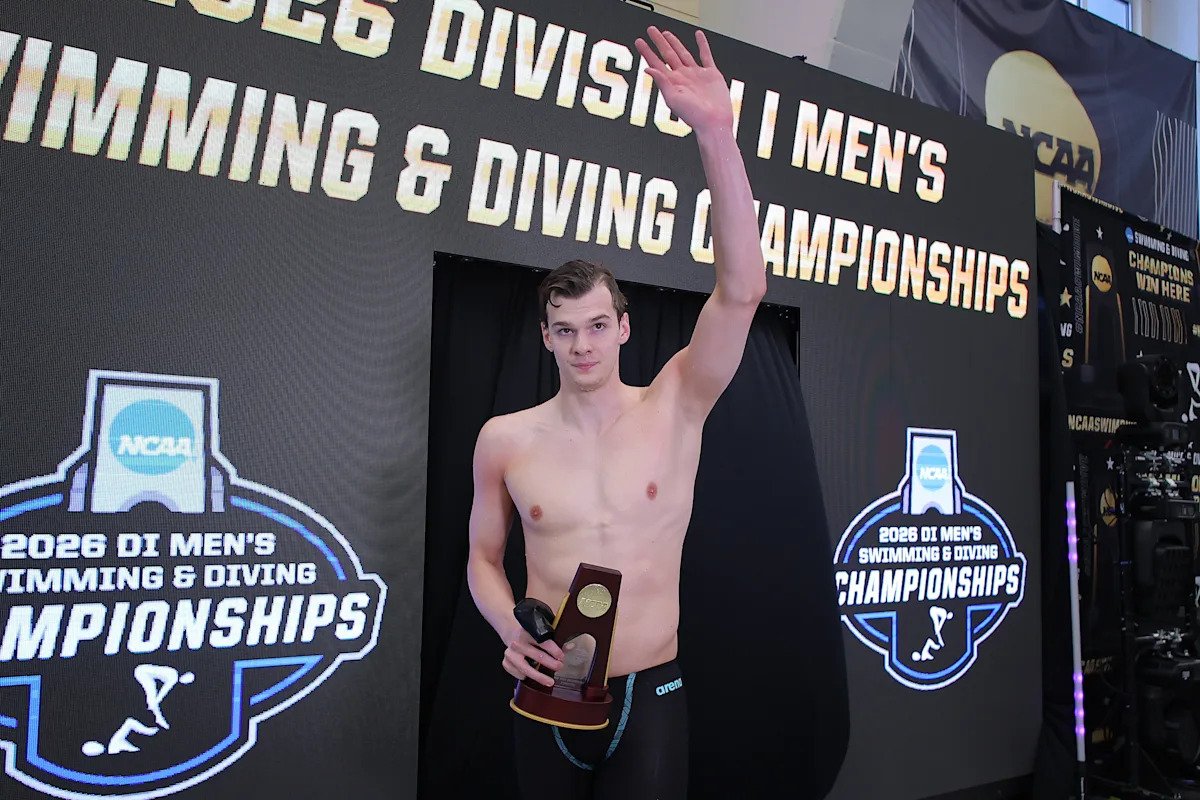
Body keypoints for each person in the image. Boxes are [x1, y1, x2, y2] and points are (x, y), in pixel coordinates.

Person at [467, 24, 765, 799]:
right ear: (546, 339)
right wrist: (507, 628)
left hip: (650, 694)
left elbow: (741, 291)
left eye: (598, 326)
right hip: (549, 693)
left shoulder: (676, 403)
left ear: (624, 326)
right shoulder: (505, 439)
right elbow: (482, 560)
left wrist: (716, 135)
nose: (583, 346)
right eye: (565, 331)